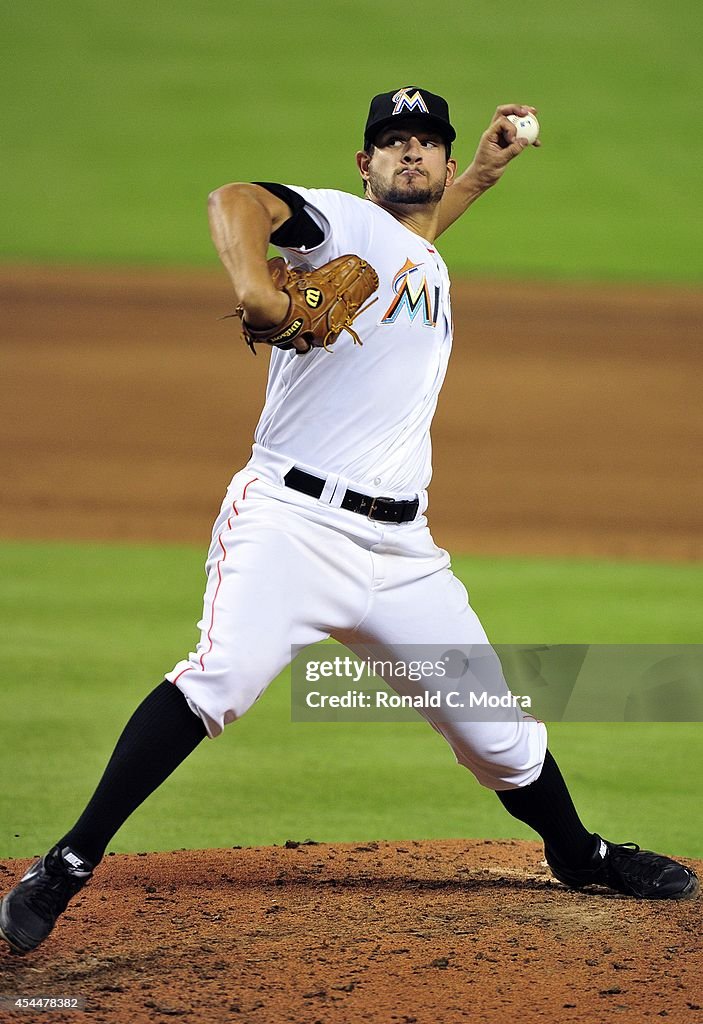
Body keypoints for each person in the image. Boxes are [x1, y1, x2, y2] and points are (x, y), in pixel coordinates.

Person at [0, 86, 697, 957]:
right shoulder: (335, 221)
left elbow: (417, 237)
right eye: (391, 142)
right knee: (216, 682)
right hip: (291, 524)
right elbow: (235, 201)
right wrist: (257, 288)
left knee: (502, 739)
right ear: (361, 166)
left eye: (426, 143)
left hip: (403, 555)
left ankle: (578, 852)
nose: (412, 153)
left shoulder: (416, 247)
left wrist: (482, 171)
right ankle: (66, 861)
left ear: (441, 163)